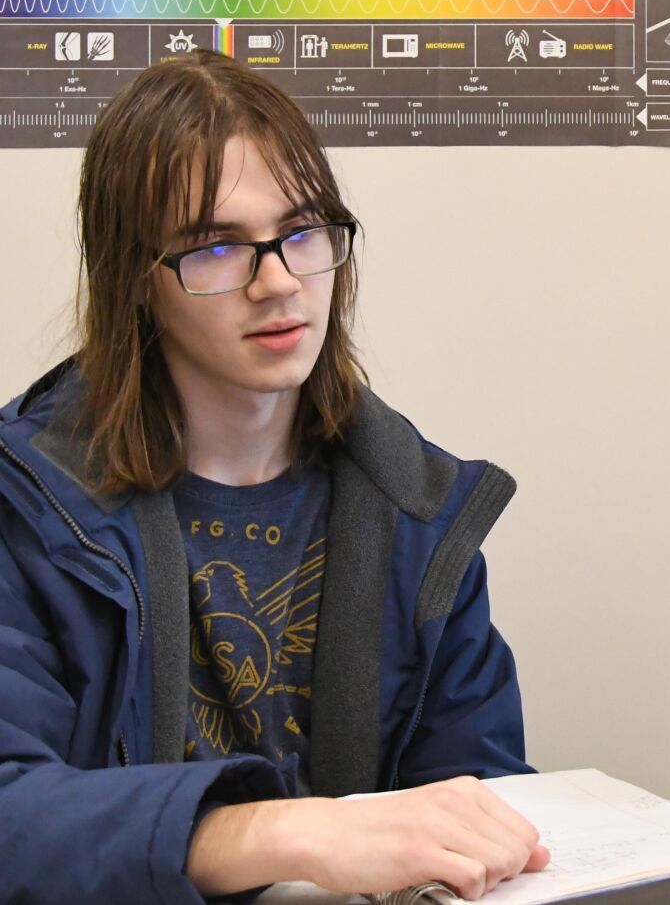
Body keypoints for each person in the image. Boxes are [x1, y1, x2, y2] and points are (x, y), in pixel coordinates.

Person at [0, 52, 548, 901]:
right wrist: (289, 829)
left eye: (301, 232)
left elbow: (480, 798)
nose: (280, 281)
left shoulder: (419, 511)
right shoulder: (29, 505)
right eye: (216, 246)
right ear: (135, 283)